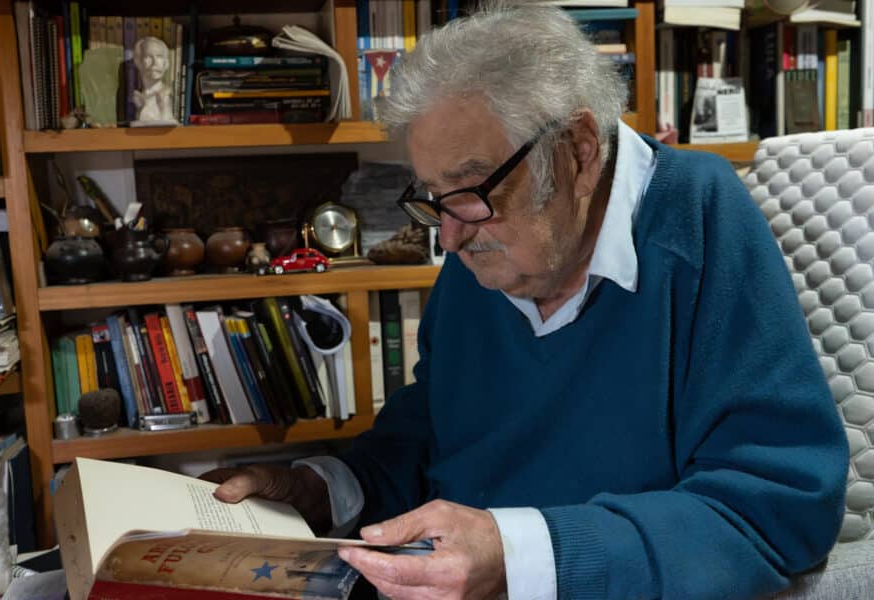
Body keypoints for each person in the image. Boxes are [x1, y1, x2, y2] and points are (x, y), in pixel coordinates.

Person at [201, 2, 849, 598]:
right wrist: (319, 489)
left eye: (468, 191)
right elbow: (435, 431)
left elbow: (778, 506)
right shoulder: (488, 243)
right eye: (432, 196)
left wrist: (522, 554)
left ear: (578, 150)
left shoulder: (699, 220)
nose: (448, 237)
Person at [132, 36, 176, 124]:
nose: (155, 62)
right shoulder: (137, 97)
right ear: (138, 62)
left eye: (159, 56)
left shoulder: (167, 94)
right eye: (148, 56)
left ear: (166, 63)